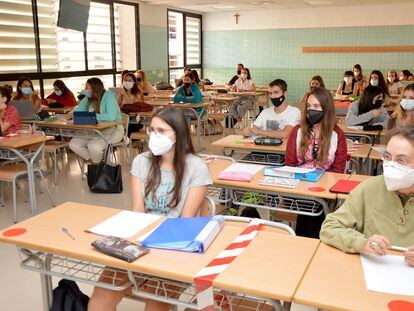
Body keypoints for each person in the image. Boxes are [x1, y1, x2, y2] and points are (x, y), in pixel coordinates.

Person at [88, 107, 212, 311]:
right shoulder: (141, 161)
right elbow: (137, 212)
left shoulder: (196, 167)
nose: (154, 135)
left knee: (155, 303)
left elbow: (186, 221)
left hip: (174, 247)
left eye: (161, 131)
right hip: (140, 244)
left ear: (178, 133)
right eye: (152, 130)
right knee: (101, 296)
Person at [320, 125, 414, 267]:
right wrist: (362, 243)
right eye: (387, 157)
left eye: (401, 161)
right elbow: (329, 228)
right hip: (372, 271)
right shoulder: (369, 188)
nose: (390, 166)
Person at [286, 87, 347, 238]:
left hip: (324, 189)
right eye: (309, 106)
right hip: (298, 187)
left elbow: (338, 170)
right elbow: (290, 163)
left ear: (326, 109)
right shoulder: (297, 131)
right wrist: (303, 184)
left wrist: (318, 184)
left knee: (314, 205)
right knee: (309, 205)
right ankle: (311, 244)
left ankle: (305, 242)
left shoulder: (337, 135)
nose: (311, 110)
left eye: (316, 106)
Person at [69, 78, 124, 164]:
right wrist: (70, 114)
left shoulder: (109, 97)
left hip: (113, 130)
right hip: (95, 130)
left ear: (94, 88)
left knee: (93, 146)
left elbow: (111, 117)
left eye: (87, 88)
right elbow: (77, 110)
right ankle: (97, 164)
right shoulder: (88, 98)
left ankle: (97, 166)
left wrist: (93, 116)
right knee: (73, 144)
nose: (85, 90)